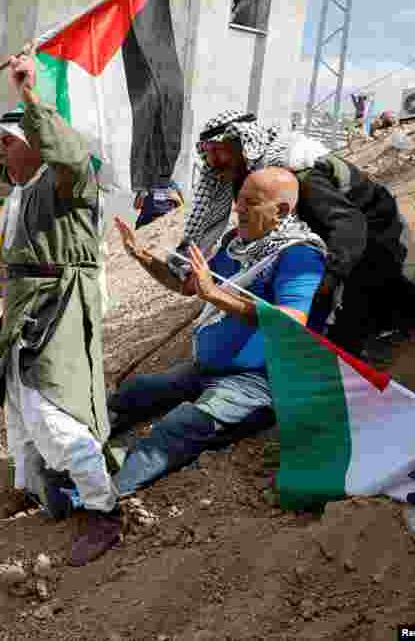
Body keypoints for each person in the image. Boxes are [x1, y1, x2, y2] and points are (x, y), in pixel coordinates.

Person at [0, 48, 121, 567]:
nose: (2, 152)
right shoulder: (24, 183)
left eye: (13, 141)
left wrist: (29, 93)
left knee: (55, 415)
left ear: (37, 145)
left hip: (61, 306)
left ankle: (103, 510)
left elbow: (66, 153)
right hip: (25, 306)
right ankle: (27, 490)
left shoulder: (69, 183)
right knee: (17, 411)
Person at [111, 167, 327, 495]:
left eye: (250, 203)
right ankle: (75, 452)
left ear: (281, 210)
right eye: (238, 200)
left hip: (257, 382)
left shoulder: (300, 255)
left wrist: (215, 295)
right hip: (207, 368)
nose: (237, 209)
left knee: (180, 426)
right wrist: (140, 254)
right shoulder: (235, 243)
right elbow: (189, 286)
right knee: (136, 392)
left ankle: (104, 493)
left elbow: (291, 322)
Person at [173, 109, 415, 358]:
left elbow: (349, 224)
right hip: (331, 230)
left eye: (219, 151)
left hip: (372, 230)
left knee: (361, 309)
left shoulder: (298, 171)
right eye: (208, 154)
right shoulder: (249, 172)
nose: (213, 162)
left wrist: (330, 276)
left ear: (243, 144)